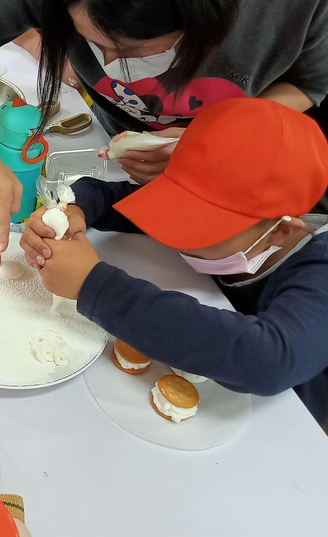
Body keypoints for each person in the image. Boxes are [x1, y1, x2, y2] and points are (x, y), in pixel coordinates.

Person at [0, 0, 328, 268]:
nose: (108, 66)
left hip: (225, 186)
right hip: (118, 169)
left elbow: (311, 83)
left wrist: (207, 141)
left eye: (131, 51)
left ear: (207, 15)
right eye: (91, 43)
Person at [19, 98, 328, 430]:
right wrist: (74, 209)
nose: (177, 233)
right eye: (177, 207)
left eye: (201, 226)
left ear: (280, 231)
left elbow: (268, 360)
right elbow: (109, 197)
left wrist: (93, 285)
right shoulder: (246, 223)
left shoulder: (320, 272)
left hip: (290, 423)